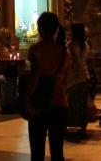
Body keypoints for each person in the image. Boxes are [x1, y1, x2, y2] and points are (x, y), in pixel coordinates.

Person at [26, 11, 71, 161]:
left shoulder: (35, 49)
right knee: (57, 151)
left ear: (39, 29)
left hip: (39, 104)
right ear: (56, 29)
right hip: (59, 103)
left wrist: (26, 98)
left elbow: (34, 77)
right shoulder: (65, 52)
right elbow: (66, 81)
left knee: (37, 151)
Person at [66, 22, 90, 139]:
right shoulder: (85, 44)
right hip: (84, 75)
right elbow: (82, 61)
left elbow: (74, 61)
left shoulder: (70, 45)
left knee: (72, 102)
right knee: (82, 103)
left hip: (74, 77)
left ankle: (71, 123)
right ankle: (82, 125)